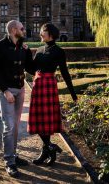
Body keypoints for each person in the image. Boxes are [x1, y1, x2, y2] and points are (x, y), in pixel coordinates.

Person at [28, 23, 77, 165]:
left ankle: (47, 150)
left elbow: (65, 73)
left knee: (46, 121)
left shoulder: (59, 51)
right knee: (38, 119)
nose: (40, 34)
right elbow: (32, 69)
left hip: (49, 85)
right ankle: (50, 147)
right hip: (38, 85)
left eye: (43, 31)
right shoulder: (39, 49)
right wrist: (24, 53)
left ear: (50, 34)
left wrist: (73, 94)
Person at [0, 20, 34, 178]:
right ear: (14, 29)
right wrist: (5, 91)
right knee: (8, 125)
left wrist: (40, 54)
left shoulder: (22, 46)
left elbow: (30, 68)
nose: (24, 30)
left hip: (20, 90)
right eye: (22, 28)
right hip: (6, 91)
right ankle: (9, 162)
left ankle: (13, 155)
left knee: (15, 125)